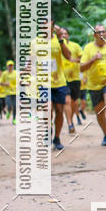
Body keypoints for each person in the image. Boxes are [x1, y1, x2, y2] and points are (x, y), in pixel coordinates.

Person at [31, 21, 72, 151]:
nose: (45, 28)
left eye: (48, 26)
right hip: (43, 82)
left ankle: (57, 138)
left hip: (59, 81)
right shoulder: (35, 42)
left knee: (59, 110)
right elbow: (31, 62)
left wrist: (60, 39)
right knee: (47, 109)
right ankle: (48, 130)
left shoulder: (59, 40)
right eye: (42, 26)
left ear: (52, 27)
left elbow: (68, 56)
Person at [59, 28, 82, 133]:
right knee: (67, 101)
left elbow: (83, 59)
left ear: (68, 35)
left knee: (73, 102)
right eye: (62, 34)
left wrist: (74, 60)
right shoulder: (57, 47)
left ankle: (71, 120)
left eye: (65, 34)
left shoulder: (75, 46)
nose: (64, 35)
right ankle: (69, 124)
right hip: (62, 78)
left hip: (75, 78)